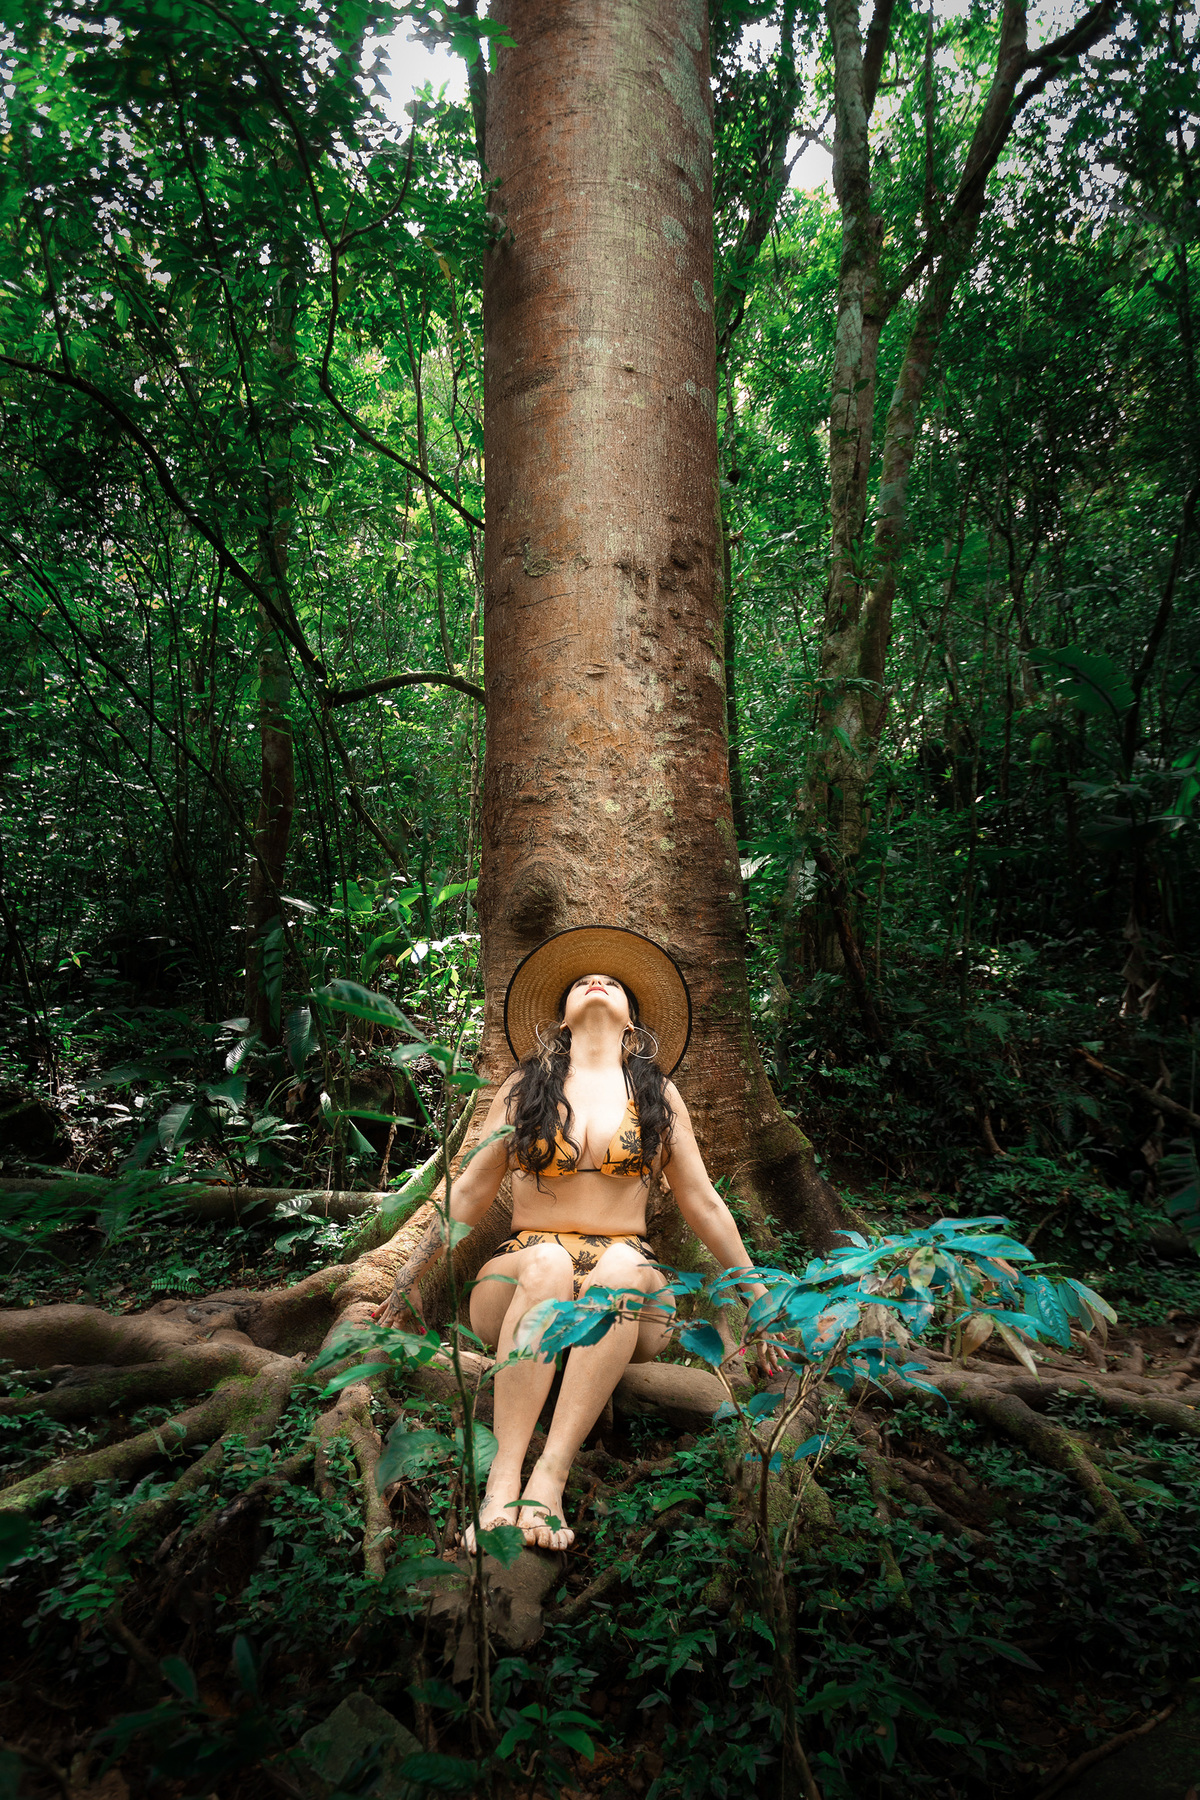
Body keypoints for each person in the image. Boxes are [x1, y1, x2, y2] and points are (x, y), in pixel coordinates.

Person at [373, 925, 777, 1552]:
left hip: (631, 1286)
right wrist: (407, 1285)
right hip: (519, 1278)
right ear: (560, 1018)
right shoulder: (523, 1087)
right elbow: (472, 1192)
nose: (598, 983)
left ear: (632, 1023)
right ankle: (502, 1486)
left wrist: (759, 1302)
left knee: (617, 1266)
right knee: (547, 1266)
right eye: (583, 982)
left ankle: (549, 1481)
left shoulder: (659, 1095)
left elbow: (702, 1202)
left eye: (613, 984)